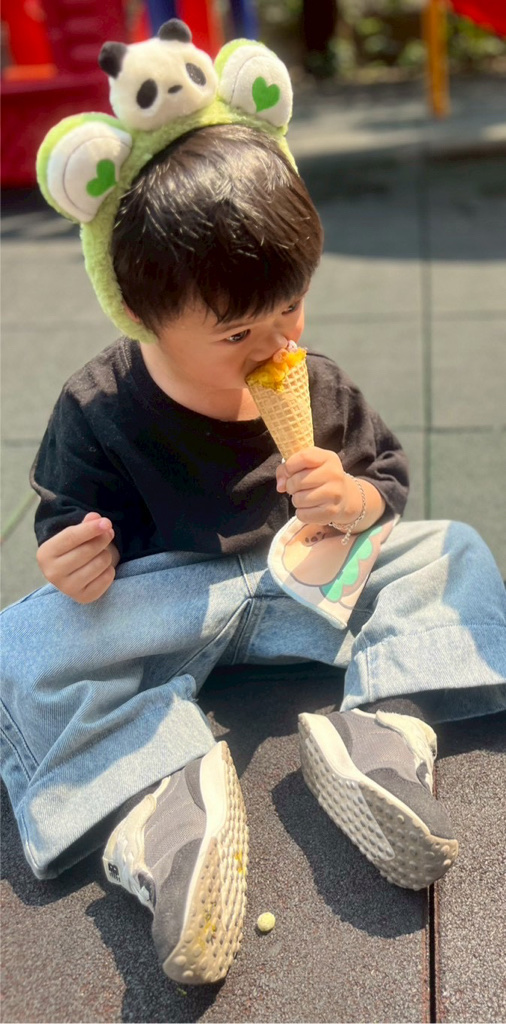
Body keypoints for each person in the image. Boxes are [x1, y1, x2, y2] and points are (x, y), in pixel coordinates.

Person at [2, 24, 506, 989]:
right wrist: (73, 561)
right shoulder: (97, 407)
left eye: (292, 308)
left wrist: (352, 499)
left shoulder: (319, 382)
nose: (277, 344)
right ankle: (164, 797)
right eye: (238, 332)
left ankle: (378, 733)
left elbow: (386, 484)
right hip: (169, 605)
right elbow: (67, 523)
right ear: (140, 313)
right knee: (21, 644)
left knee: (454, 551)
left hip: (305, 582)